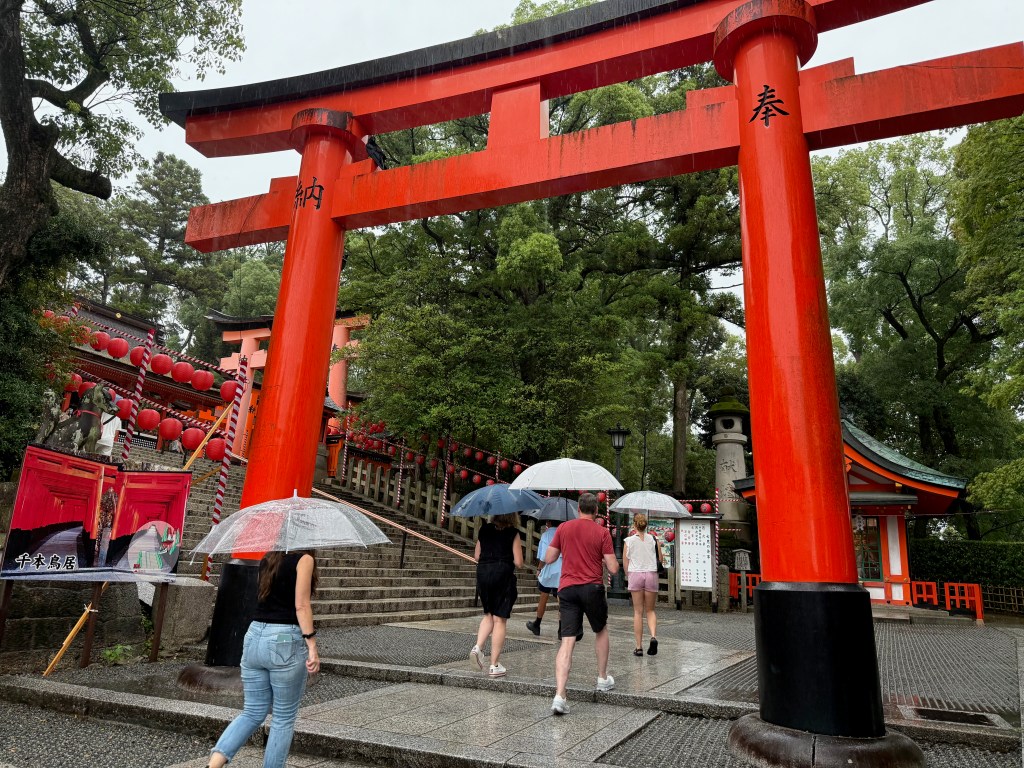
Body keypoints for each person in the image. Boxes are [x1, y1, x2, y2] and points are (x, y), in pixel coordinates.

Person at [208, 550, 320, 768]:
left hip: (254, 635)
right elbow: (301, 605)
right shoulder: (304, 559)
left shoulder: (268, 558)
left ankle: (213, 765)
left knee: (252, 712)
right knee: (283, 718)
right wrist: (312, 644)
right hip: (284, 639)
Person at [542, 492, 619, 715]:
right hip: (592, 588)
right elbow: (613, 568)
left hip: (567, 589)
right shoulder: (602, 532)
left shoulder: (564, 528)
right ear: (596, 511)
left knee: (567, 641)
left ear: (578, 509)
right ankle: (602, 678)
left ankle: (559, 695)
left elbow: (549, 558)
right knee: (601, 629)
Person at [470, 512, 523, 678]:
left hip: (483, 574)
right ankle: (494, 665)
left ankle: (477, 647)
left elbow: (477, 556)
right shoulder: (513, 533)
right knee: (499, 619)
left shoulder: (484, 529)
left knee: (488, 615)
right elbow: (519, 562)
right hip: (502, 574)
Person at [623, 513, 659, 657]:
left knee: (638, 612)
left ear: (634, 525)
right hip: (651, 574)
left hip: (636, 574)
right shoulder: (653, 539)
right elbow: (660, 558)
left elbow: (626, 562)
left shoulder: (629, 541)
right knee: (650, 610)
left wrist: (628, 575)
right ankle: (653, 636)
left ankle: (638, 647)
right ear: (646, 525)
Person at [526, 520, 561, 636]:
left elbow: (543, 556)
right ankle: (562, 628)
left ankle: (537, 624)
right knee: (561, 599)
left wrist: (539, 569)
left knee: (544, 596)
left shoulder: (546, 535)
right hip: (561, 569)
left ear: (549, 523)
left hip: (548, 569)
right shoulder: (564, 533)